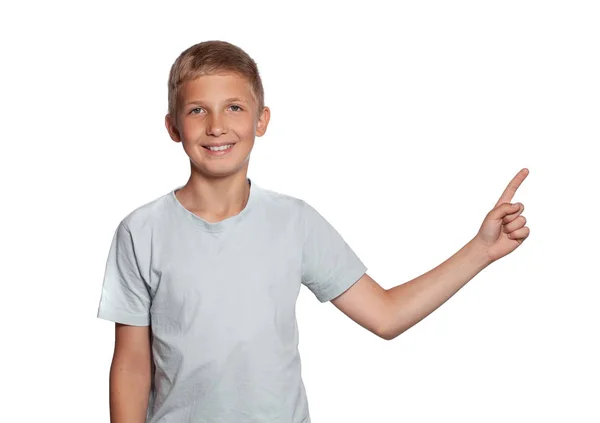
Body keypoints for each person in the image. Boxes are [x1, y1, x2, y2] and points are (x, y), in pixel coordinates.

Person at [97, 40, 530, 423]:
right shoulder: (142, 232)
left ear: (261, 120)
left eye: (234, 107)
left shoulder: (295, 222)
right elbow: (133, 364)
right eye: (197, 110)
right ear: (174, 127)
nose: (216, 125)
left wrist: (481, 251)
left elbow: (386, 315)